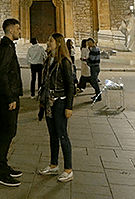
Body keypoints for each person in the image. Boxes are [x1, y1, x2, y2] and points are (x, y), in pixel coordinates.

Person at [37, 32, 75, 182]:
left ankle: (68, 169)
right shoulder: (48, 60)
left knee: (62, 135)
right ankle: (53, 165)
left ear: (58, 43)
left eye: (50, 41)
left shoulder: (65, 62)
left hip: (60, 102)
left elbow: (70, 86)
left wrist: (69, 107)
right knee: (52, 135)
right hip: (49, 102)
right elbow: (44, 82)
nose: (47, 42)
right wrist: (42, 103)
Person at [0, 18, 23, 187]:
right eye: (18, 29)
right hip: (8, 96)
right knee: (7, 131)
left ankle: (3, 164)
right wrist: (10, 97)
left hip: (7, 94)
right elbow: (3, 73)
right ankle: (0, 171)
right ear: (10, 30)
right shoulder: (6, 47)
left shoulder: (4, 45)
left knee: (8, 131)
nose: (20, 32)